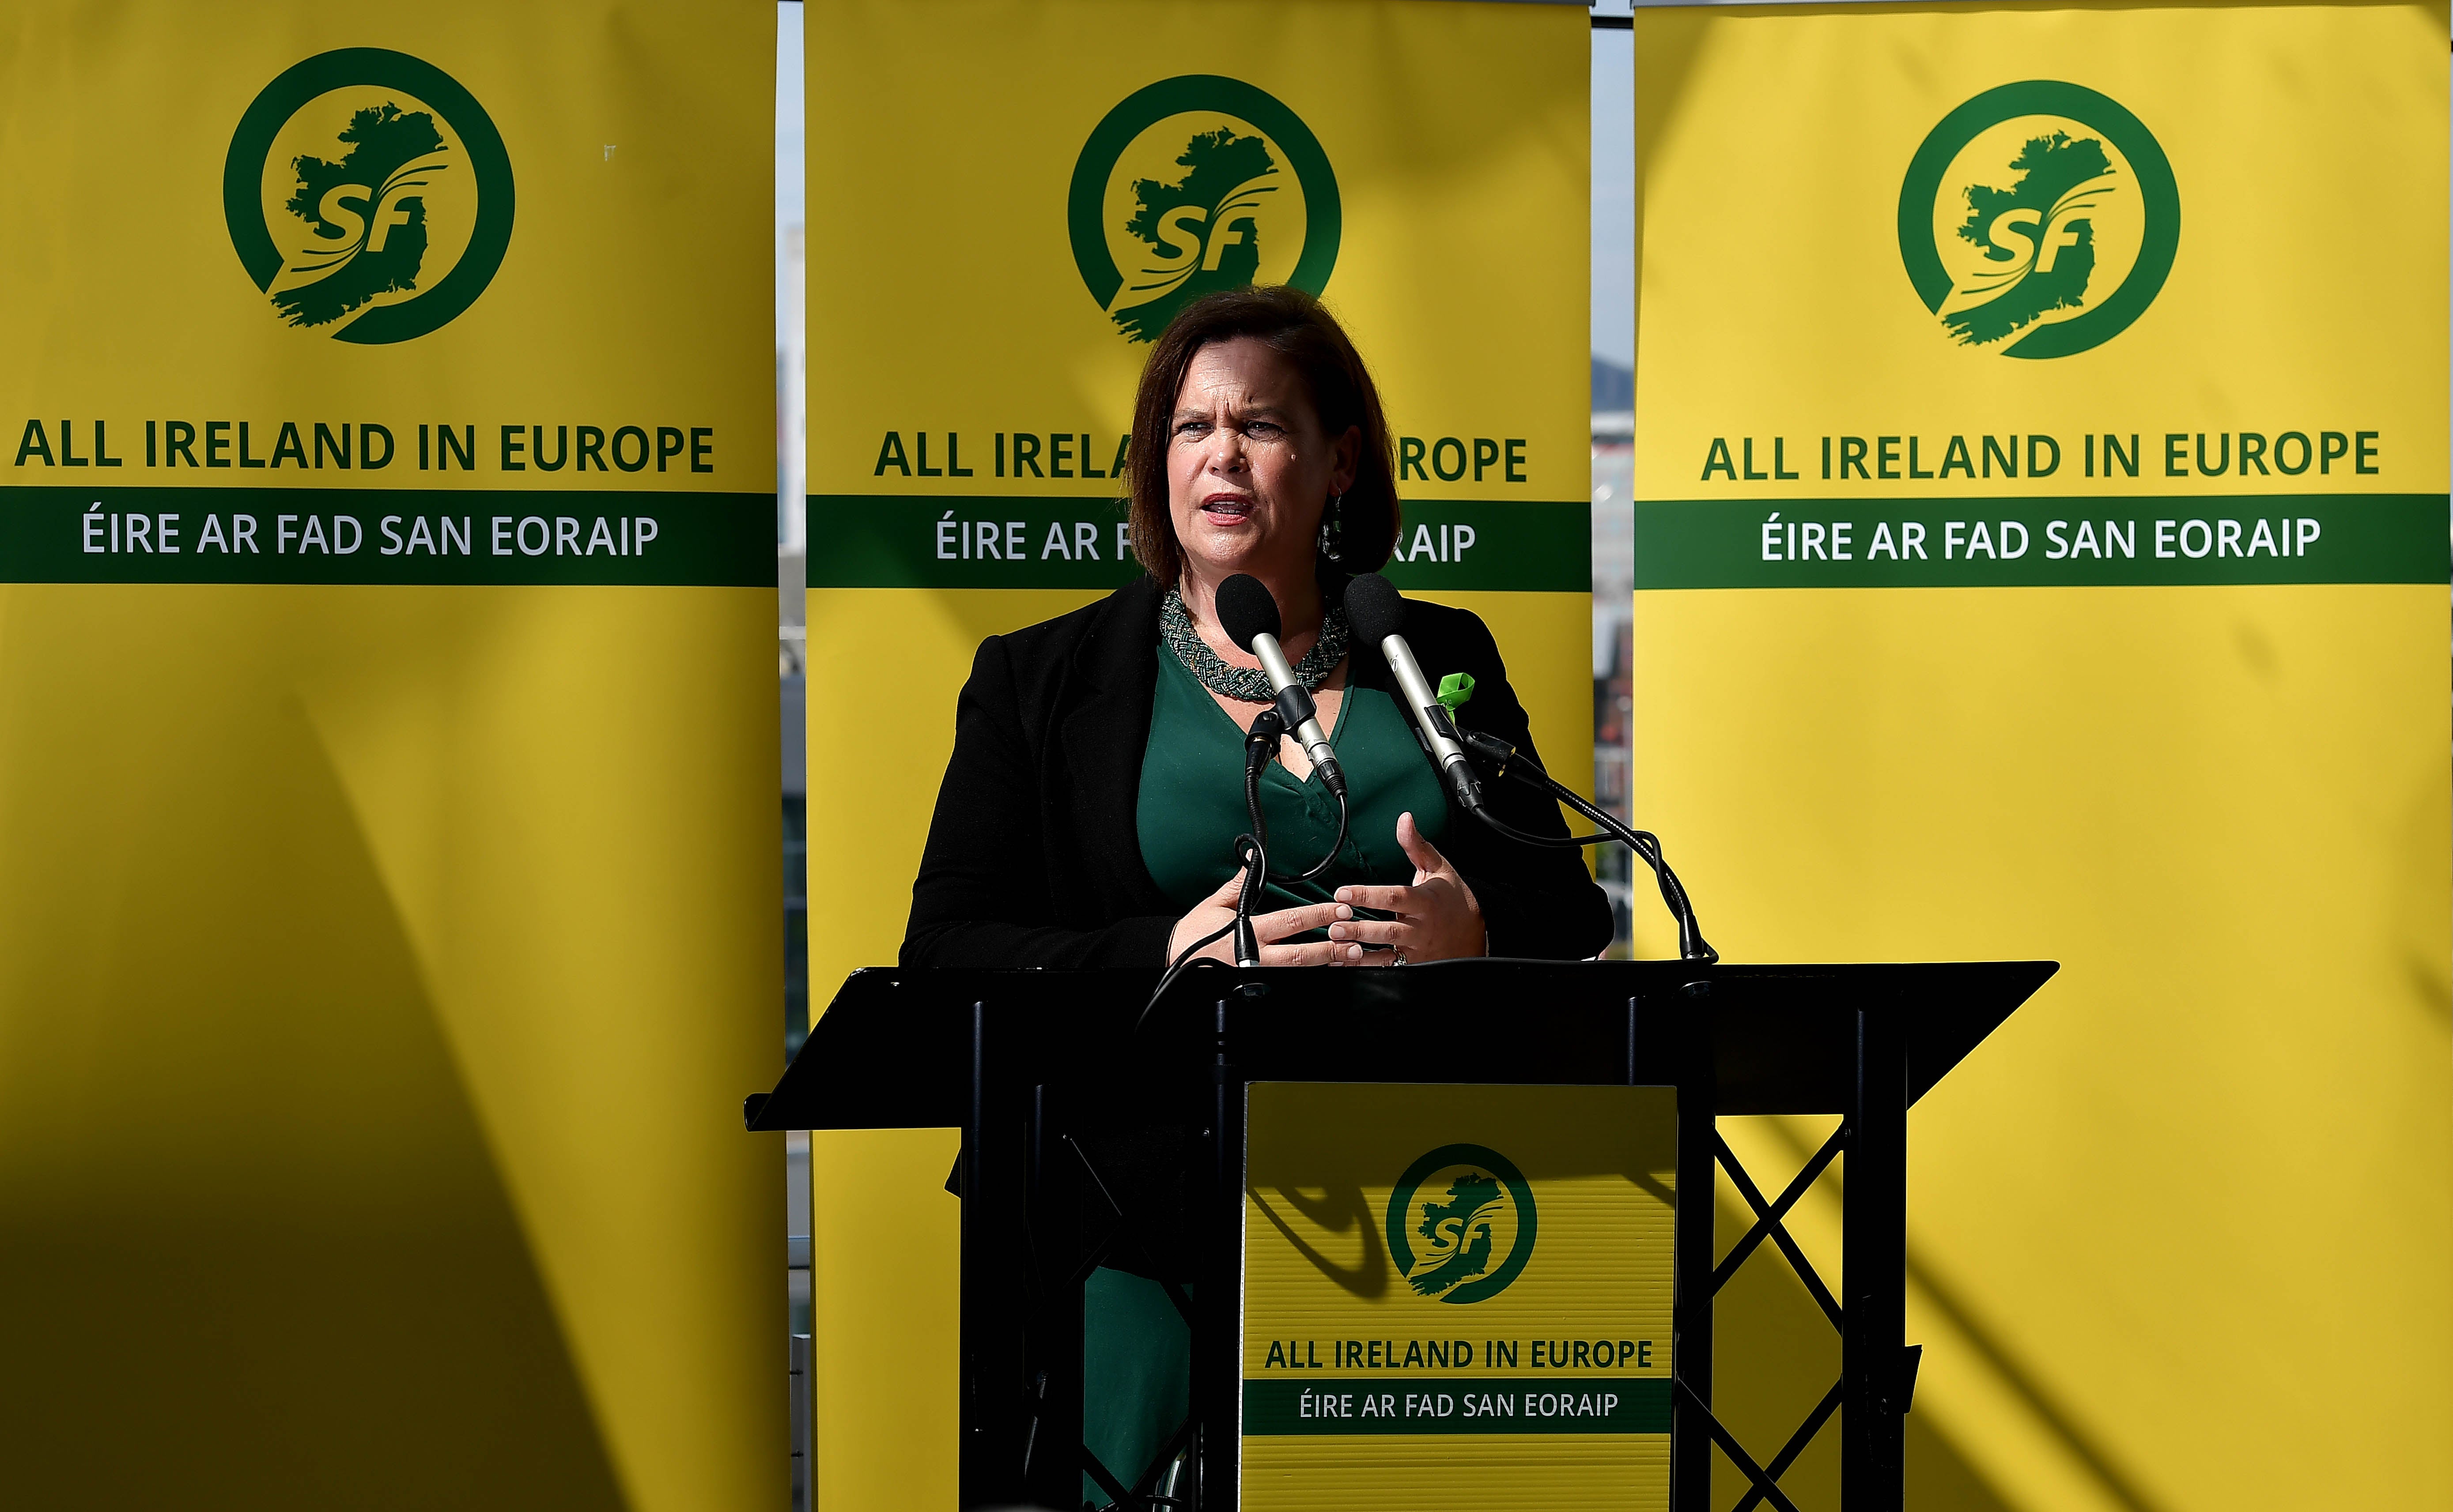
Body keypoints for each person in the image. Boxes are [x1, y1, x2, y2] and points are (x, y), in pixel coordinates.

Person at [901, 285, 1611, 1506]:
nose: (1220, 453)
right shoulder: (1039, 678)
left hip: (1418, 1201)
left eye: (1262, 426)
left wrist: (1475, 924)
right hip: (1128, 1213)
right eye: (1191, 427)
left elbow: (1568, 903)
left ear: (1340, 463)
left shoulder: (1431, 654)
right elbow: (948, 944)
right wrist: (1163, 948)